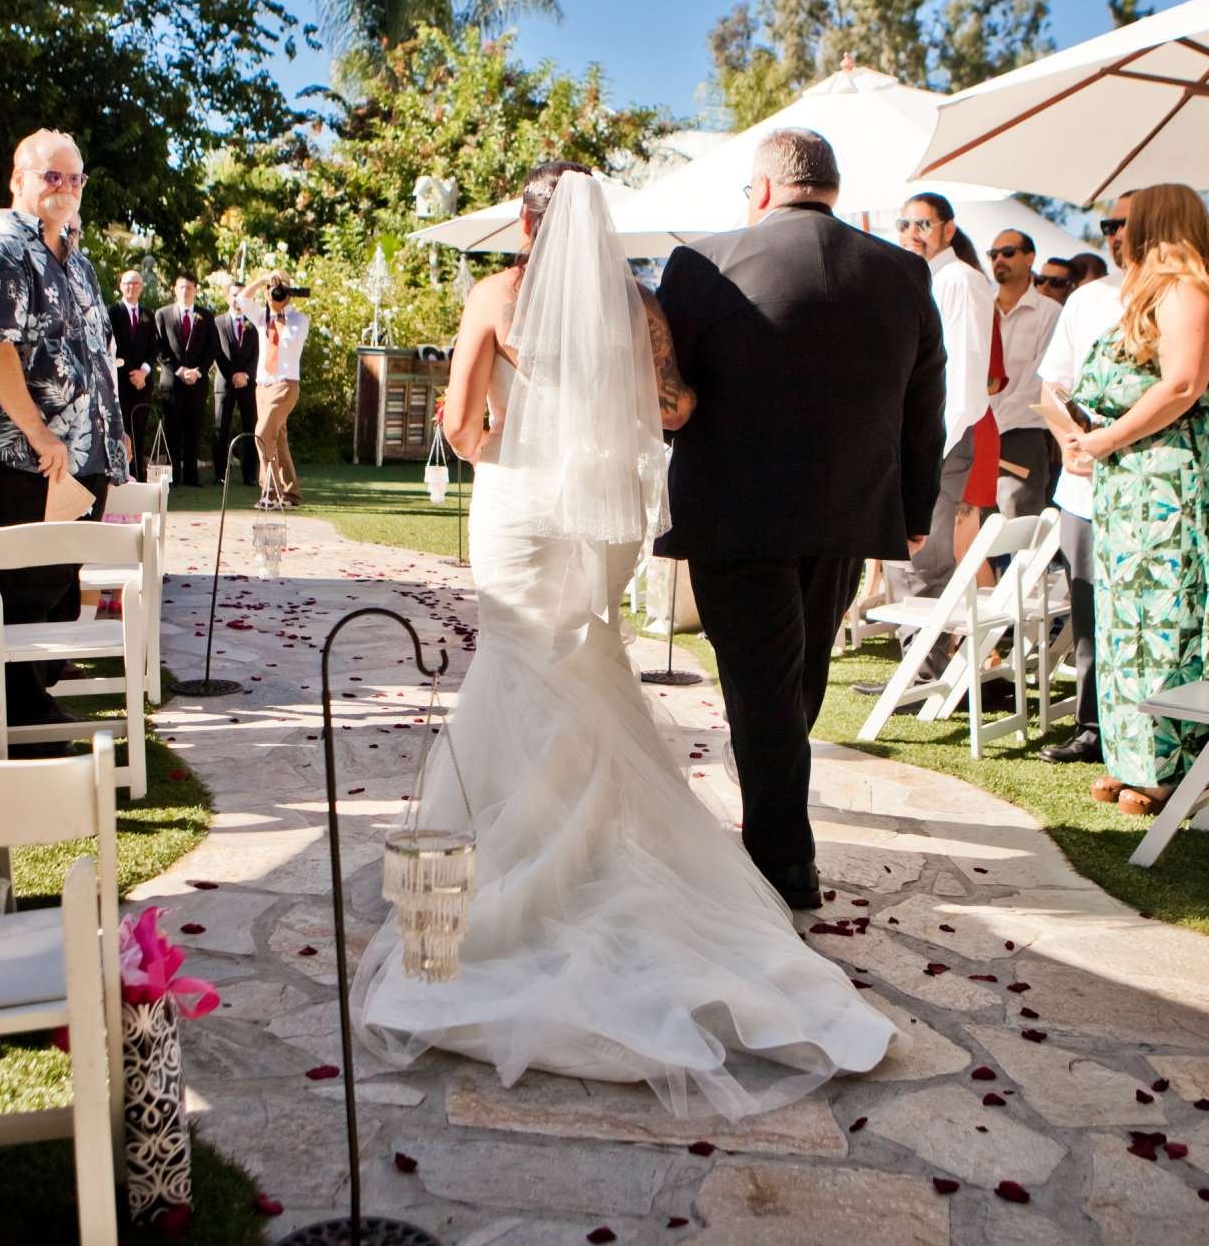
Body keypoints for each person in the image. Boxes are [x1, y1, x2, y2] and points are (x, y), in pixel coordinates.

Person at [356, 164, 891, 1113]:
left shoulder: (496, 294)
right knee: (586, 660)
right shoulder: (641, 307)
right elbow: (677, 409)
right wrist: (605, 421)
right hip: (602, 517)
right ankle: (592, 852)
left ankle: (522, 859)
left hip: (522, 507)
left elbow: (461, 429)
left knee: (522, 664)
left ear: (527, 220)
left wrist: (525, 430)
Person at [656, 129, 944, 909]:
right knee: (795, 680)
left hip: (733, 511)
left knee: (764, 687)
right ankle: (776, 818)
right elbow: (926, 410)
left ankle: (784, 866)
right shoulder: (903, 270)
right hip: (846, 512)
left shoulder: (701, 264)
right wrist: (914, 510)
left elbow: (666, 394)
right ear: (833, 189)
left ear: (760, 190)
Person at [1036, 190, 1209, 764]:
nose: (1117, 233)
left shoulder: (1189, 291)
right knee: (1130, 631)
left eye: (1128, 223)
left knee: (1169, 627)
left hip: (1171, 492)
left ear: (1155, 226)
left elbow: (1184, 385)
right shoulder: (1151, 294)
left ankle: (1170, 765)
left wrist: (1108, 439)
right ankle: (1135, 755)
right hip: (1135, 487)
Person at [0, 128, 128, 723]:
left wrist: (109, 429)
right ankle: (22, 714)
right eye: (51, 175)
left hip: (81, 458)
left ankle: (37, 692)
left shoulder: (74, 259)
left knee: (59, 580)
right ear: (18, 179)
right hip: (26, 459)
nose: (65, 188)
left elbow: (95, 352)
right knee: (23, 587)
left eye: (75, 177)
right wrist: (41, 435)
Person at [892, 191, 992, 606]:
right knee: (905, 560)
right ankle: (920, 666)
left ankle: (927, 669)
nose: (912, 233)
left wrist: (931, 452)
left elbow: (965, 381)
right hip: (915, 438)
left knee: (925, 564)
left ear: (948, 229)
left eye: (923, 224)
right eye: (904, 225)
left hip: (940, 440)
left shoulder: (960, 281)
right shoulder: (921, 279)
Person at [987, 226, 1061, 518]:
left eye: (1007, 252)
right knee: (975, 537)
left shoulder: (1049, 312)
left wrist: (995, 424)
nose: (998, 260)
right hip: (977, 433)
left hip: (1022, 435)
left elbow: (1040, 381)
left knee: (1020, 533)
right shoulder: (982, 308)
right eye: (993, 254)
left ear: (1030, 258)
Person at [233, 268, 309, 510]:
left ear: (289, 292)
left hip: (285, 385)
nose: (274, 294)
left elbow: (290, 342)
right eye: (272, 290)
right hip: (262, 386)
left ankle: (271, 491)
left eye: (279, 289)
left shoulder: (298, 320)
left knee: (263, 433)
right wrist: (262, 281)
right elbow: (242, 300)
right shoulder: (261, 317)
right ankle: (291, 494)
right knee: (278, 438)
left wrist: (281, 309)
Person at [154, 273, 216, 488]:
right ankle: (172, 477)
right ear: (174, 289)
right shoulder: (162, 315)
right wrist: (179, 370)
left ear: (195, 290)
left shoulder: (206, 317)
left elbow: (212, 348)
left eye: (189, 288)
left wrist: (198, 371)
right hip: (172, 383)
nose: (185, 291)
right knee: (172, 431)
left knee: (193, 430)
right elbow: (159, 348)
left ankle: (192, 476)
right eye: (181, 287)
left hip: (197, 383)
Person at [109, 269, 159, 479]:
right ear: (121, 286)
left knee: (140, 429)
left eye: (136, 284)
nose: (132, 287)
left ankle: (139, 473)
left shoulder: (148, 314)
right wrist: (133, 372)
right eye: (128, 283)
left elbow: (155, 347)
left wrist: (144, 372)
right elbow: (115, 344)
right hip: (122, 379)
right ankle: (121, 474)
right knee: (123, 429)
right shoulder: (112, 312)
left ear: (141, 287)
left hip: (143, 382)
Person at [212, 288, 260, 487]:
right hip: (225, 381)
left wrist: (246, 375)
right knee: (220, 428)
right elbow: (216, 352)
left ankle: (250, 475)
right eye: (234, 294)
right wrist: (232, 374)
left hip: (249, 383)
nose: (238, 298)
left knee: (251, 428)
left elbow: (258, 353)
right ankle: (221, 474)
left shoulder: (255, 323)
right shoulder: (217, 322)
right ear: (226, 297)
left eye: (242, 295)